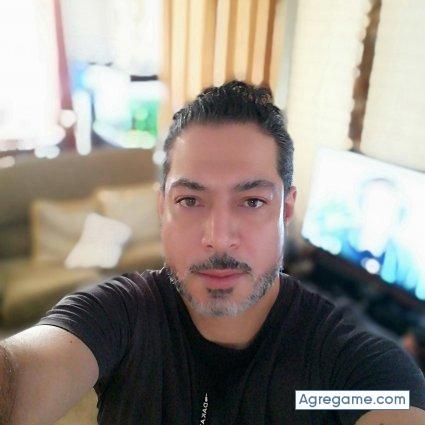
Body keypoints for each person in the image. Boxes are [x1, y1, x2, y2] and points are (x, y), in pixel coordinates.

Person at [1, 81, 424, 425]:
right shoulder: (117, 317)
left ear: (286, 210)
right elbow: (22, 377)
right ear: (161, 207)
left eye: (252, 201)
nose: (219, 239)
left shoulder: (344, 363)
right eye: (190, 200)